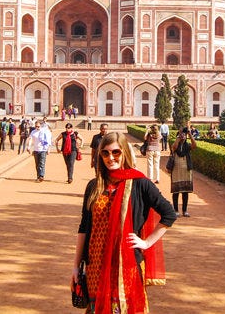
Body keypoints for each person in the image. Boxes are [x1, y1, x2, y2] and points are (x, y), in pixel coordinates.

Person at [72, 131, 176, 313]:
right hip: (96, 263)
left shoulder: (139, 183)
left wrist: (146, 242)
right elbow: (84, 227)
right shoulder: (94, 186)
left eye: (115, 152)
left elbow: (168, 214)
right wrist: (76, 266)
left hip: (126, 262)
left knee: (124, 307)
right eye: (105, 153)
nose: (110, 158)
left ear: (124, 153)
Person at [170, 125, 197, 217]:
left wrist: (189, 134)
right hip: (176, 169)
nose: (183, 136)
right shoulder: (175, 145)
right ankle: (176, 210)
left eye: (184, 135)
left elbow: (195, 145)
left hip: (186, 170)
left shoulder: (188, 146)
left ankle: (185, 210)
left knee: (185, 191)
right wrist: (179, 136)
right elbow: (174, 147)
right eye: (181, 135)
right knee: (176, 191)